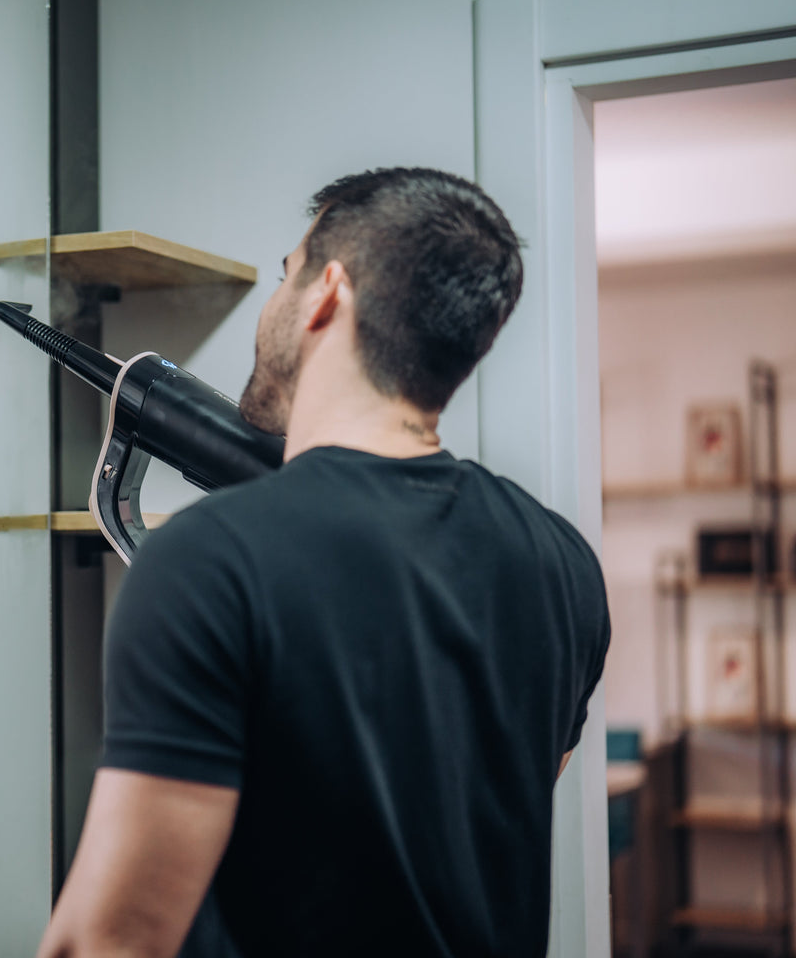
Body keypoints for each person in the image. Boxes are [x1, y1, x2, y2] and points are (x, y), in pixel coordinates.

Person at [36, 167, 610, 958]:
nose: (275, 302)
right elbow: (473, 814)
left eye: (285, 274)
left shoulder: (209, 563)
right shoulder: (562, 564)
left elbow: (112, 941)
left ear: (326, 294)